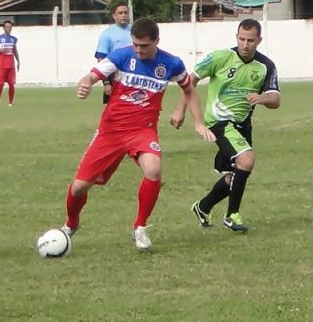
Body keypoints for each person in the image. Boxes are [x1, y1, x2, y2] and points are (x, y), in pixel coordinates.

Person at [61, 18, 215, 250]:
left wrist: (199, 122)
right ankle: (71, 224)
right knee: (79, 187)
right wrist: (85, 83)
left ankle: (140, 227)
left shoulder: (171, 63)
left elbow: (189, 89)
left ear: (156, 41)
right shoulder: (122, 56)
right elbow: (92, 76)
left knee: (153, 169)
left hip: (143, 130)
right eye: (135, 44)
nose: (139, 50)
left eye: (144, 45)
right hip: (111, 131)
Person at [169, 18, 281, 233]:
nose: (245, 44)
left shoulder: (266, 66)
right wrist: (180, 110)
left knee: (235, 175)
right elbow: (190, 82)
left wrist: (262, 98)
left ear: (259, 40)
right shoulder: (221, 58)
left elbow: (275, 100)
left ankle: (203, 207)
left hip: (243, 125)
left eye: (250, 40)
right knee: (246, 160)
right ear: (236, 37)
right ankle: (232, 215)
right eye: (242, 39)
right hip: (219, 122)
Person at [95, 2, 132, 104]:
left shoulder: (135, 31)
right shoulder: (107, 34)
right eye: (120, 13)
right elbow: (101, 60)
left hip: (133, 75)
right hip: (114, 76)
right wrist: (106, 83)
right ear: (114, 16)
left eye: (125, 12)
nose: (123, 15)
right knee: (113, 107)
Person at [0, 20, 20, 107]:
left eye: (10, 27)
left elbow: (15, 50)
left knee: (11, 84)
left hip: (11, 65)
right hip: (2, 65)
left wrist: (18, 61)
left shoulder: (13, 39)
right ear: (4, 28)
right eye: (7, 27)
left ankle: (10, 102)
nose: (8, 28)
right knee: (0, 84)